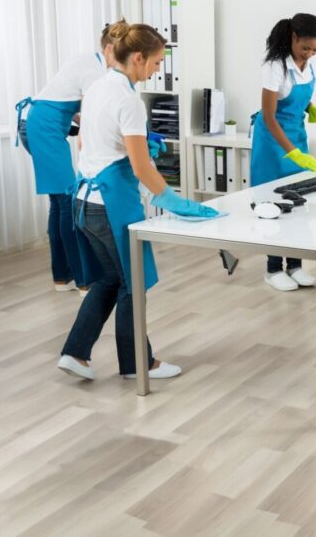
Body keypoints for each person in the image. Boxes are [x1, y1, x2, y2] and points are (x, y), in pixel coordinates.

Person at [57, 20, 220, 381]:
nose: (158, 69)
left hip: (84, 203)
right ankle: (137, 365)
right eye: (157, 62)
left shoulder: (97, 88)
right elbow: (141, 166)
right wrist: (174, 200)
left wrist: (140, 138)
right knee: (132, 282)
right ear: (138, 58)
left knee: (109, 280)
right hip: (111, 207)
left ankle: (75, 353)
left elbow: (86, 143)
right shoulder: (130, 100)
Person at [15, 25, 115, 295]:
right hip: (43, 129)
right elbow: (92, 115)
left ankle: (62, 277)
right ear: (109, 49)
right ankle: (84, 281)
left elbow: (64, 100)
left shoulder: (87, 60)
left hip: (37, 124)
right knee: (69, 204)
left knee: (59, 205)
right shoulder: (96, 72)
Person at [249, 14, 316, 292]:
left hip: (295, 135)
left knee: (299, 202)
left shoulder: (307, 66)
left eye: (315, 50)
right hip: (272, 141)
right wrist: (292, 154)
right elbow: (269, 116)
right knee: (272, 203)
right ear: (293, 38)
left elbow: (303, 101)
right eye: (305, 48)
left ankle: (296, 266)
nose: (310, 54)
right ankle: (273, 268)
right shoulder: (274, 67)